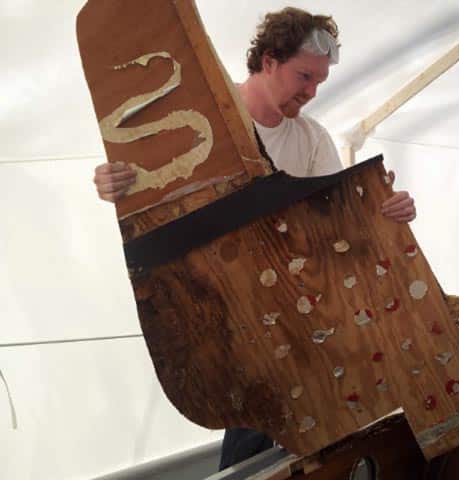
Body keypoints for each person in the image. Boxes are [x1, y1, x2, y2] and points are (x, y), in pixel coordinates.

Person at [93, 7, 417, 470]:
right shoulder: (202, 115)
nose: (312, 92)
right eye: (304, 76)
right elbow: (149, 189)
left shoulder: (311, 140)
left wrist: (385, 211)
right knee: (249, 440)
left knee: (308, 442)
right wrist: (115, 184)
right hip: (223, 315)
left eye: (319, 81)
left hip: (295, 321)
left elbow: (341, 222)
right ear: (268, 61)